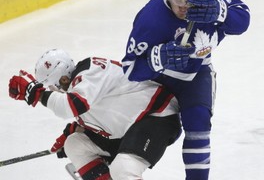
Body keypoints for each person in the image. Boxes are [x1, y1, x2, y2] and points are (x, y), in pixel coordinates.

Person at [121, 0, 250, 179]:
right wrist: (158, 58)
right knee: (136, 129)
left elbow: (243, 21)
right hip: (160, 80)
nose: (182, 6)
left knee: (198, 122)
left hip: (197, 74)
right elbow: (130, 68)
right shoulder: (151, 18)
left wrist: (221, 12)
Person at [8, 48, 181, 180]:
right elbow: (102, 111)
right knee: (74, 144)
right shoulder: (79, 87)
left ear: (63, 80)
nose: (53, 91)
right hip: (132, 127)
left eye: (52, 86)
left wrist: (38, 95)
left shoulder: (90, 72)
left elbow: (71, 105)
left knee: (123, 168)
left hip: (158, 116)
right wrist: (78, 130)